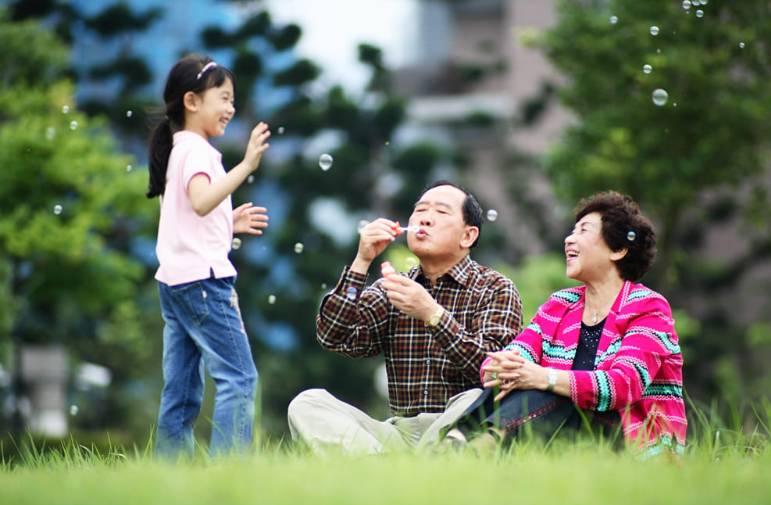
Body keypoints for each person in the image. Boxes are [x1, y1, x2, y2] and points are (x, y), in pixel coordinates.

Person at [288, 181, 523, 454]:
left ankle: (415, 467)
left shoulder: (495, 288)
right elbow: (334, 336)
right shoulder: (394, 287)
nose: (425, 217)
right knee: (308, 403)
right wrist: (362, 261)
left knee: (472, 398)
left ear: (468, 236)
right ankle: (386, 469)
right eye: (420, 210)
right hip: (399, 432)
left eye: (441, 212)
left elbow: (493, 371)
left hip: (460, 425)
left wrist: (432, 314)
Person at [447, 191, 686, 457]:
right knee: (522, 379)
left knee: (556, 388)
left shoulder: (649, 307)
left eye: (583, 230)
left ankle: (483, 445)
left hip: (630, 439)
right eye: (572, 230)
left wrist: (544, 377)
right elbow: (511, 355)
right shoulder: (561, 304)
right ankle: (456, 441)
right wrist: (501, 367)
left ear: (618, 249)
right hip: (557, 430)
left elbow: (623, 386)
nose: (569, 239)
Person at [147, 55, 271, 456]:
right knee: (239, 377)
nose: (231, 108)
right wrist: (247, 165)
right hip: (203, 283)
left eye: (232, 99)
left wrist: (226, 222)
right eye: (223, 97)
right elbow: (200, 202)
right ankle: (229, 469)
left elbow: (183, 213)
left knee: (181, 389)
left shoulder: (179, 150)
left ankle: (169, 472)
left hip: (176, 282)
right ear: (191, 101)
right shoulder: (198, 152)